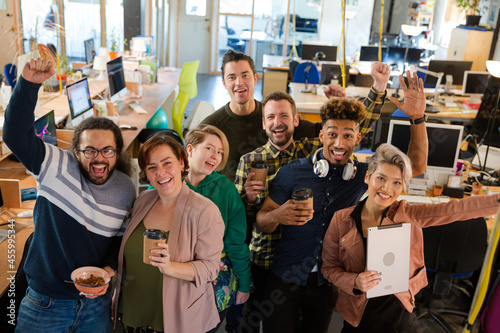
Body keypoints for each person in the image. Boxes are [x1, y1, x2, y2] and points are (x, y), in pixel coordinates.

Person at [255, 72, 429, 332]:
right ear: (322, 135)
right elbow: (261, 222)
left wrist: (417, 118)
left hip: (327, 282)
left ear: (358, 139)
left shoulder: (362, 175)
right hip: (284, 278)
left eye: (348, 136)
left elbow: (414, 166)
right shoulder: (293, 171)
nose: (339, 143)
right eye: (333, 134)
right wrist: (277, 216)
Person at [234, 58, 391, 332]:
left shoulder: (310, 150)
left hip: (310, 264)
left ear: (296, 120)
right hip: (265, 257)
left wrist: (378, 88)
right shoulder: (250, 160)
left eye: (284, 116)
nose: (278, 122)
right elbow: (241, 217)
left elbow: (351, 131)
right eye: (271, 117)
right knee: (252, 321)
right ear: (263, 124)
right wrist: (249, 199)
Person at [3, 58, 136, 332]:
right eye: (90, 151)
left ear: (117, 152)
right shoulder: (56, 165)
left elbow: (118, 240)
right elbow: (15, 135)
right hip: (45, 303)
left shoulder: (125, 189)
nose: (99, 159)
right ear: (76, 152)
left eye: (107, 151)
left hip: (95, 304)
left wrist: (109, 270)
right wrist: (28, 83)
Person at [321, 143, 500, 332]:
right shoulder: (341, 220)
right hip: (357, 315)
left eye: (397, 182)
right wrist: (355, 281)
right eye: (381, 178)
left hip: (398, 310)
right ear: (368, 177)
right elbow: (328, 269)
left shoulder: (408, 214)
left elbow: (455, 209)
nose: (387, 188)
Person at [201, 49, 386, 182]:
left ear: (255, 78)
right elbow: (195, 174)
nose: (239, 82)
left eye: (245, 75)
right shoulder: (211, 127)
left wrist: (375, 90)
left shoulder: (279, 119)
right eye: (232, 77)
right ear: (224, 82)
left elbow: (347, 134)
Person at [113, 135, 225, 333]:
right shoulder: (143, 200)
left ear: (182, 163)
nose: (160, 173)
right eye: (152, 167)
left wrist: (169, 267)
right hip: (133, 311)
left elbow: (211, 269)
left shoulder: (205, 211)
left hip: (176, 320)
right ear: (146, 173)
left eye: (167, 163)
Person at [183, 125, 251, 332]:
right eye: (210, 148)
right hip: (174, 274)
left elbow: (236, 242)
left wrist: (245, 282)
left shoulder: (226, 189)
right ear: (190, 149)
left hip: (215, 279)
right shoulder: (168, 182)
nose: (216, 156)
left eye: (220, 152)